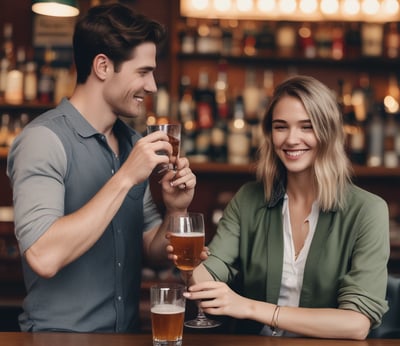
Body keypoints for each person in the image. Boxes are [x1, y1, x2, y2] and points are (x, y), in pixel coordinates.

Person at [7, 3, 196, 333]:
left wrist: (175, 210)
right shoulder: (43, 139)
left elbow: (152, 248)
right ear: (103, 66)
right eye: (143, 72)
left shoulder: (131, 142)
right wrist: (125, 177)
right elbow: (43, 257)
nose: (152, 86)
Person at [180, 75, 390, 340]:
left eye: (306, 127)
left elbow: (356, 324)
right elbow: (206, 283)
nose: (291, 139)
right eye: (281, 127)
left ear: (329, 132)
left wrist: (249, 307)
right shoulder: (249, 199)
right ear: (270, 134)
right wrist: (180, 230)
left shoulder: (368, 211)